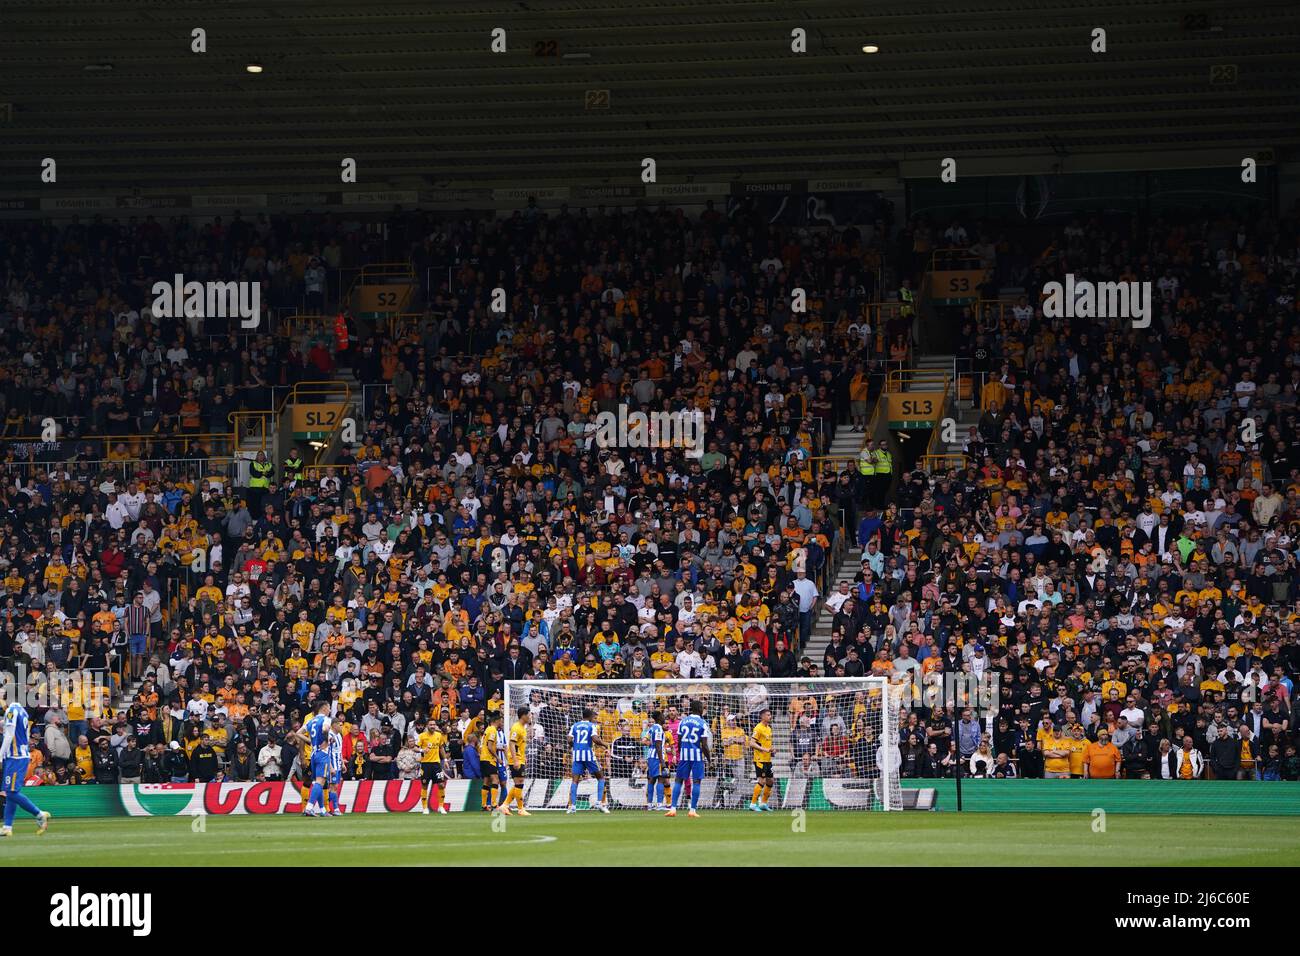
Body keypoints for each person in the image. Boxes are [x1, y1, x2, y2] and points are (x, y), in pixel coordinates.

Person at [0, 694, 51, 836]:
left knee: (11, 792)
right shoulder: (22, 711)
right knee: (10, 793)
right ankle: (7, 827)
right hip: (19, 756)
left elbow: (9, 735)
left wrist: (0, 756)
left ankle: (39, 813)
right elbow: (23, 733)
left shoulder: (11, 711)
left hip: (15, 757)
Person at [665, 700, 711, 818]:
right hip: (696, 756)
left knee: (678, 781)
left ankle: (673, 809)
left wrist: (681, 753)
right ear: (699, 709)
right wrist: (709, 759)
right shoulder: (702, 723)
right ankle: (692, 810)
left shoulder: (683, 721)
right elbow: (704, 745)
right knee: (696, 781)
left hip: (684, 755)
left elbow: (679, 741)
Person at [288, 701, 333, 817]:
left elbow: (298, 733)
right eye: (329, 708)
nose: (330, 710)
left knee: (318, 782)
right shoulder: (326, 719)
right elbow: (325, 729)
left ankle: (323, 809)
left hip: (313, 754)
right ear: (323, 708)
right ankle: (309, 808)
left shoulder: (311, 720)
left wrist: (312, 742)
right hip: (323, 754)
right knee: (320, 782)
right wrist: (326, 741)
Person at [567, 708, 610, 814]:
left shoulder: (575, 725)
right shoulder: (592, 726)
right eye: (594, 716)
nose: (594, 718)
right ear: (590, 716)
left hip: (577, 755)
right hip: (588, 756)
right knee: (601, 777)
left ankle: (572, 806)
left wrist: (576, 746)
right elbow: (595, 739)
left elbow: (569, 739)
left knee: (575, 780)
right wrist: (605, 745)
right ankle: (600, 803)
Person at [502, 707, 531, 816]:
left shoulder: (523, 728)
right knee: (519, 783)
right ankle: (520, 809)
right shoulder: (516, 727)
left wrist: (524, 757)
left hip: (520, 758)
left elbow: (520, 745)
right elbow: (512, 743)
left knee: (518, 783)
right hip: (516, 759)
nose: (530, 716)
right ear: (523, 715)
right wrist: (515, 760)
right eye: (529, 714)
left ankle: (505, 805)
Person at [748, 708, 775, 811]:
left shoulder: (769, 728)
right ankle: (753, 804)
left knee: (770, 781)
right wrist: (764, 749)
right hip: (759, 759)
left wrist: (772, 750)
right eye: (768, 715)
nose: (770, 716)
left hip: (768, 759)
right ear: (762, 716)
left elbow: (766, 743)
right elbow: (751, 743)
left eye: (770, 715)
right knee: (762, 781)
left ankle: (763, 803)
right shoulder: (758, 728)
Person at [641, 709, 667, 811]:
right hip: (657, 756)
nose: (664, 717)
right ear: (659, 718)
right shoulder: (658, 729)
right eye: (662, 716)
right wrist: (662, 761)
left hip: (651, 756)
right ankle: (659, 805)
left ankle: (649, 804)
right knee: (661, 779)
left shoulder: (651, 728)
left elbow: (647, 741)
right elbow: (658, 744)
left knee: (651, 779)